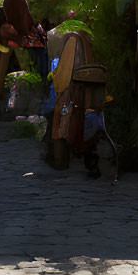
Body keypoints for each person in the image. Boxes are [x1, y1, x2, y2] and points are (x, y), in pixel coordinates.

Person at [46, 27, 109, 177]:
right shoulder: (89, 51)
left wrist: (54, 76)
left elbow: (62, 81)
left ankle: (60, 160)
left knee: (60, 122)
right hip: (90, 106)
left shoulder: (72, 41)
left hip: (71, 102)